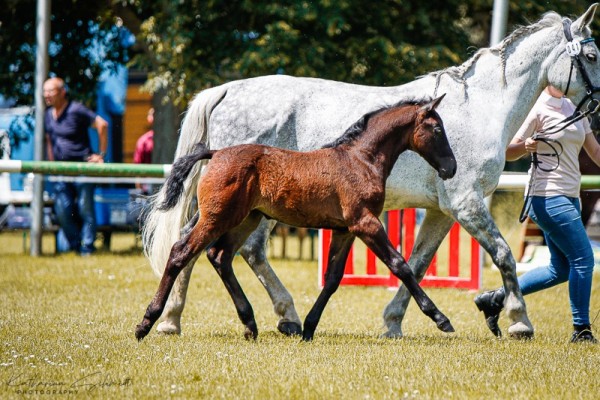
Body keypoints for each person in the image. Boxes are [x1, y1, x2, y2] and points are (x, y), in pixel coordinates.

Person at [475, 86, 600, 343]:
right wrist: (527, 146)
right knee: (583, 259)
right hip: (545, 196)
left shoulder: (575, 107)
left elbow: (596, 152)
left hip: (570, 196)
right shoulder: (537, 107)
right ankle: (582, 330)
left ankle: (497, 298)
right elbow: (508, 151)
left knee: (560, 269)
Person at [43, 77, 108, 255]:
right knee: (62, 209)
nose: (46, 95)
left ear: (62, 92)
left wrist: (100, 155)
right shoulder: (47, 115)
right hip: (60, 171)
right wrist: (51, 165)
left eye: (51, 91)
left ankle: (87, 247)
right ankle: (75, 245)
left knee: (84, 207)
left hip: (82, 168)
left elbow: (102, 124)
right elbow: (49, 140)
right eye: (45, 91)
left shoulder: (76, 110)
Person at [133, 107, 154, 192]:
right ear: (149, 118)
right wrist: (138, 187)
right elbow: (138, 164)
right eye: (152, 115)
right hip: (147, 184)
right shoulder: (144, 141)